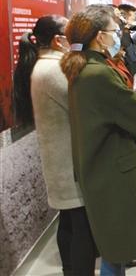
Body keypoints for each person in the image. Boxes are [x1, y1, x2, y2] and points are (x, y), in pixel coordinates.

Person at [61, 4, 136, 274]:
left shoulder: (82, 69)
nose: (118, 36)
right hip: (120, 172)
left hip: (103, 167)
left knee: (115, 248)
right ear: (100, 36)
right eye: (114, 30)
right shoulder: (99, 73)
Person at [14, 16, 98, 275]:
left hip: (62, 158)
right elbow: (84, 105)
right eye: (70, 32)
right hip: (67, 161)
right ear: (58, 40)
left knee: (71, 221)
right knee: (81, 227)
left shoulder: (49, 66)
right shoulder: (53, 70)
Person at [118, 4, 136, 75]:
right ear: (123, 18)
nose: (135, 21)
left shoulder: (126, 31)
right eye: (133, 19)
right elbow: (126, 46)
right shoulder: (121, 33)